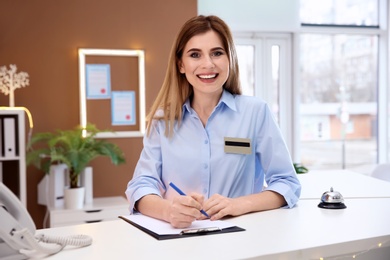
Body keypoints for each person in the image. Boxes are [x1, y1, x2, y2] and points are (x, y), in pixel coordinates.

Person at [125, 15, 301, 228]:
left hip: (242, 240)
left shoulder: (255, 112)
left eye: (217, 53)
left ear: (229, 59)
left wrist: (238, 204)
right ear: (181, 64)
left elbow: (287, 184)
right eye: (195, 55)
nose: (207, 64)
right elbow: (141, 185)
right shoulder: (163, 120)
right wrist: (169, 211)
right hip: (179, 240)